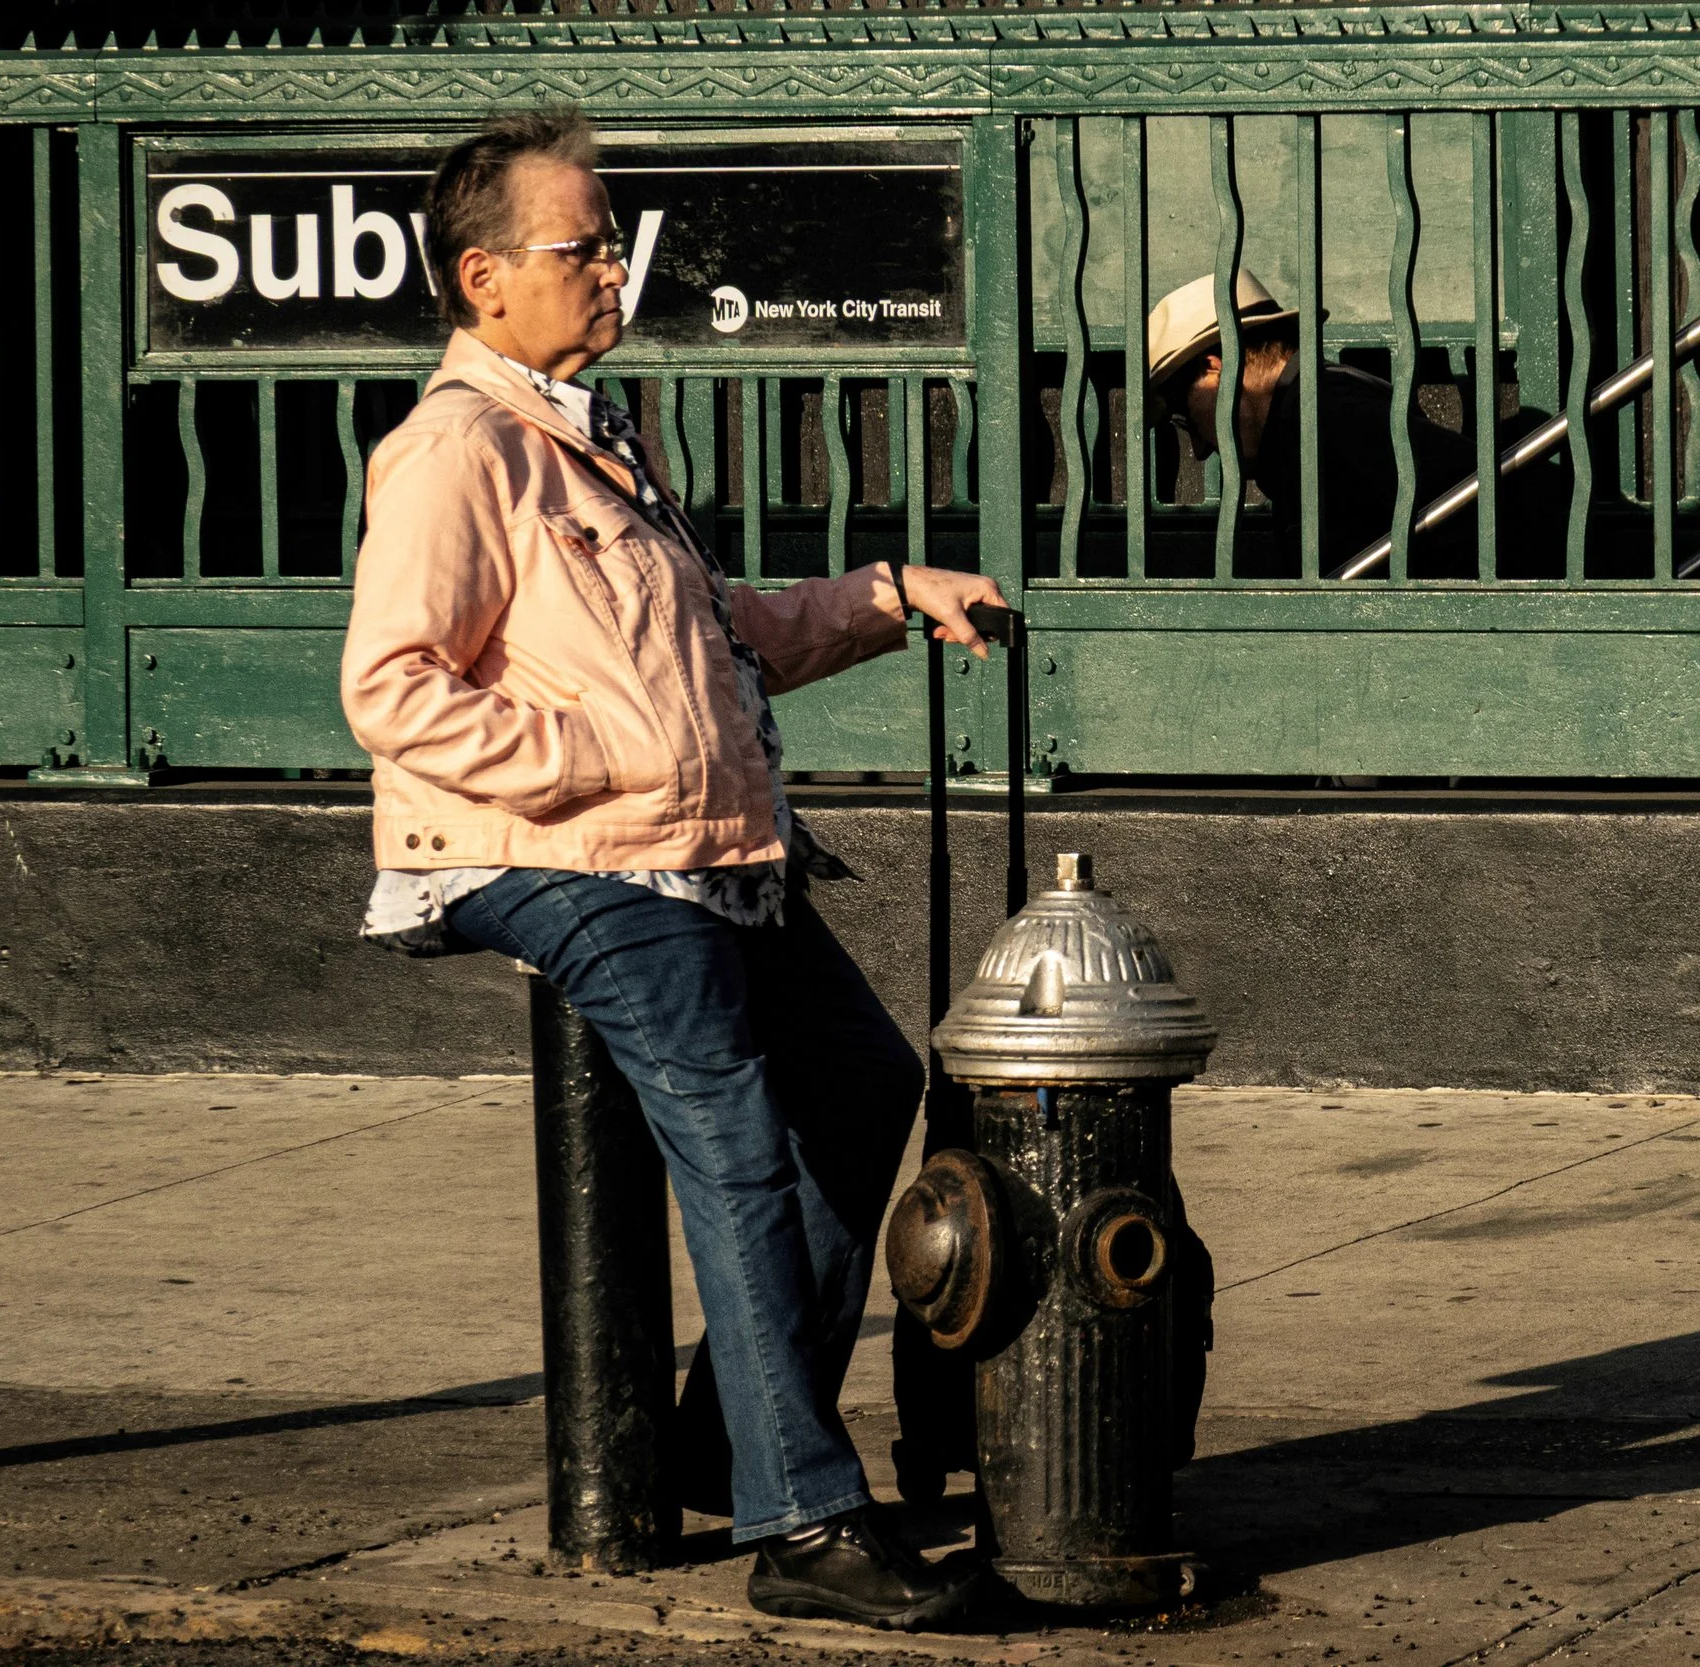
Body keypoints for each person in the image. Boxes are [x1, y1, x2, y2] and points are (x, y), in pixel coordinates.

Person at [338, 107, 1003, 1630]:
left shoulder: (589, 433)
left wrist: (891, 596)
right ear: (483, 275)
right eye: (582, 247)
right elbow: (393, 686)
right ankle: (807, 1519)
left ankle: (737, 1439)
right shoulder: (456, 448)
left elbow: (720, 637)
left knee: (858, 1078)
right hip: (569, 856)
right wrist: (594, 762)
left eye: (615, 243)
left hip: (694, 852)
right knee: (739, 1133)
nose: (614, 272)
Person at [1147, 270, 1566, 578]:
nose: (1199, 450)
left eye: (1185, 418)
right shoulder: (1310, 412)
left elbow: (1489, 508)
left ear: (1216, 367)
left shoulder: (1326, 410)